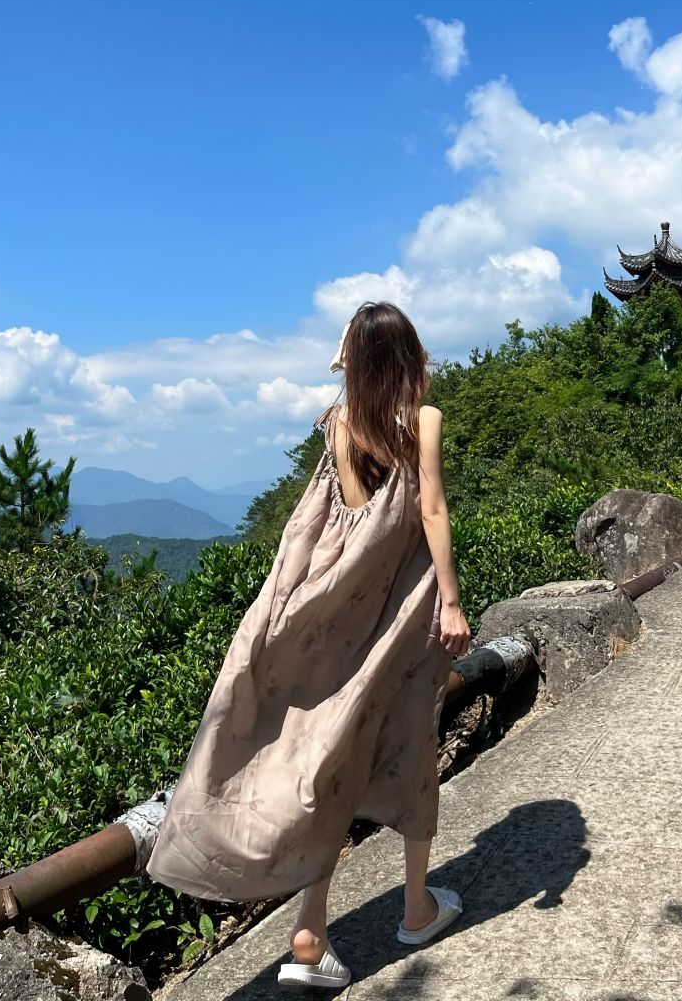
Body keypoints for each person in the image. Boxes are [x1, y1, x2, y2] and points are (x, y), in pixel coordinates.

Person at [145, 301, 472, 990]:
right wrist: (451, 600)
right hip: (404, 613)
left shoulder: (339, 424)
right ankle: (416, 908)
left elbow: (351, 515)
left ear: (354, 362)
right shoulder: (424, 423)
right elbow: (430, 509)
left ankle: (309, 934)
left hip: (342, 617)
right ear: (409, 357)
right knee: (412, 741)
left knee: (330, 762)